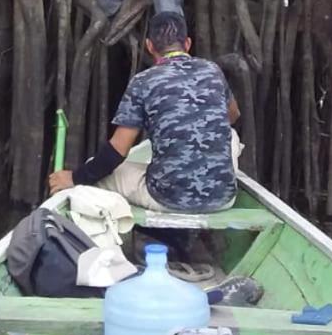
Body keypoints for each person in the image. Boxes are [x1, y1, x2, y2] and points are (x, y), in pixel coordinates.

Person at [50, 11, 239, 213]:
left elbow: (117, 150)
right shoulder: (213, 71)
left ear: (149, 46)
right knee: (233, 136)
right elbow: (233, 115)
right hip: (223, 198)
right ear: (188, 44)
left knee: (95, 173)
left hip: (166, 199)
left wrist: (75, 177)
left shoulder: (143, 81)